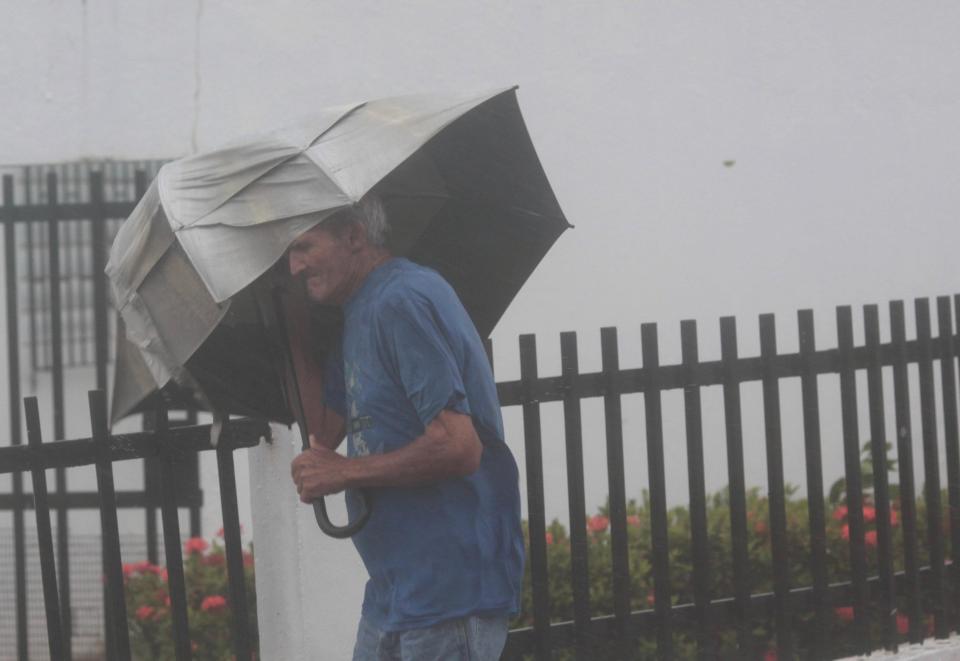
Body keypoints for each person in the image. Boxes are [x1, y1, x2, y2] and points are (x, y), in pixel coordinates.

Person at [287, 195, 525, 661]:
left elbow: (459, 447)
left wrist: (345, 473)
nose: (294, 266)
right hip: (393, 593)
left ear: (354, 236)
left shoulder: (402, 300)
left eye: (304, 247)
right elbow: (323, 429)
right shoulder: (359, 311)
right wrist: (292, 323)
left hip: (449, 594)